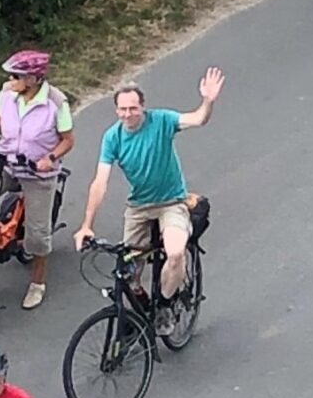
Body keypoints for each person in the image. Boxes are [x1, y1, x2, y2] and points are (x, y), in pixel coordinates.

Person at [74, 67, 223, 305]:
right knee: (127, 274)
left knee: (175, 253)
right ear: (116, 110)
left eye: (133, 108)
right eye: (122, 109)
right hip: (139, 207)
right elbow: (100, 182)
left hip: (171, 202)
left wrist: (207, 101)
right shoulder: (112, 137)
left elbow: (198, 119)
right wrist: (86, 226)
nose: (127, 114)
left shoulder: (162, 120)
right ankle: (142, 312)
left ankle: (165, 304)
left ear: (143, 107)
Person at [0, 50, 78, 310]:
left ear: (33, 79)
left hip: (38, 172)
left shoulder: (57, 102)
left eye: (15, 75)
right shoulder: (7, 94)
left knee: (37, 235)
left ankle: (37, 284)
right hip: (7, 161)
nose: (10, 79)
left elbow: (68, 140)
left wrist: (50, 157)